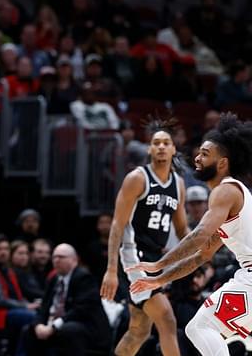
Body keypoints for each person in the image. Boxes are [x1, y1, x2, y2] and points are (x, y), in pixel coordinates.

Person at [129, 114, 252, 356]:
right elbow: (201, 256)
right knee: (232, 336)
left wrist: (159, 264)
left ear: (222, 163)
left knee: (200, 328)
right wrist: (160, 279)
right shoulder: (234, 197)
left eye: (205, 153)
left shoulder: (226, 190)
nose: (197, 157)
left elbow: (199, 235)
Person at [100, 119, 189, 356]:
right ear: (149, 149)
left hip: (154, 259)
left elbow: (182, 230)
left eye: (166, 143)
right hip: (132, 257)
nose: (161, 147)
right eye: (156, 143)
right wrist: (111, 270)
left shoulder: (179, 184)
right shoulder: (137, 178)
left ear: (173, 149)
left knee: (139, 330)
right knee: (167, 321)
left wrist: (200, 254)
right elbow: (117, 226)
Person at [20, 243, 111, 356]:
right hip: (58, 323)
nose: (56, 260)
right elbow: (44, 307)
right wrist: (38, 325)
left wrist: (53, 326)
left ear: (74, 260)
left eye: (61, 257)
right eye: (54, 257)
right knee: (29, 331)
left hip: (85, 327)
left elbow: (80, 310)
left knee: (68, 330)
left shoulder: (84, 278)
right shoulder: (53, 279)